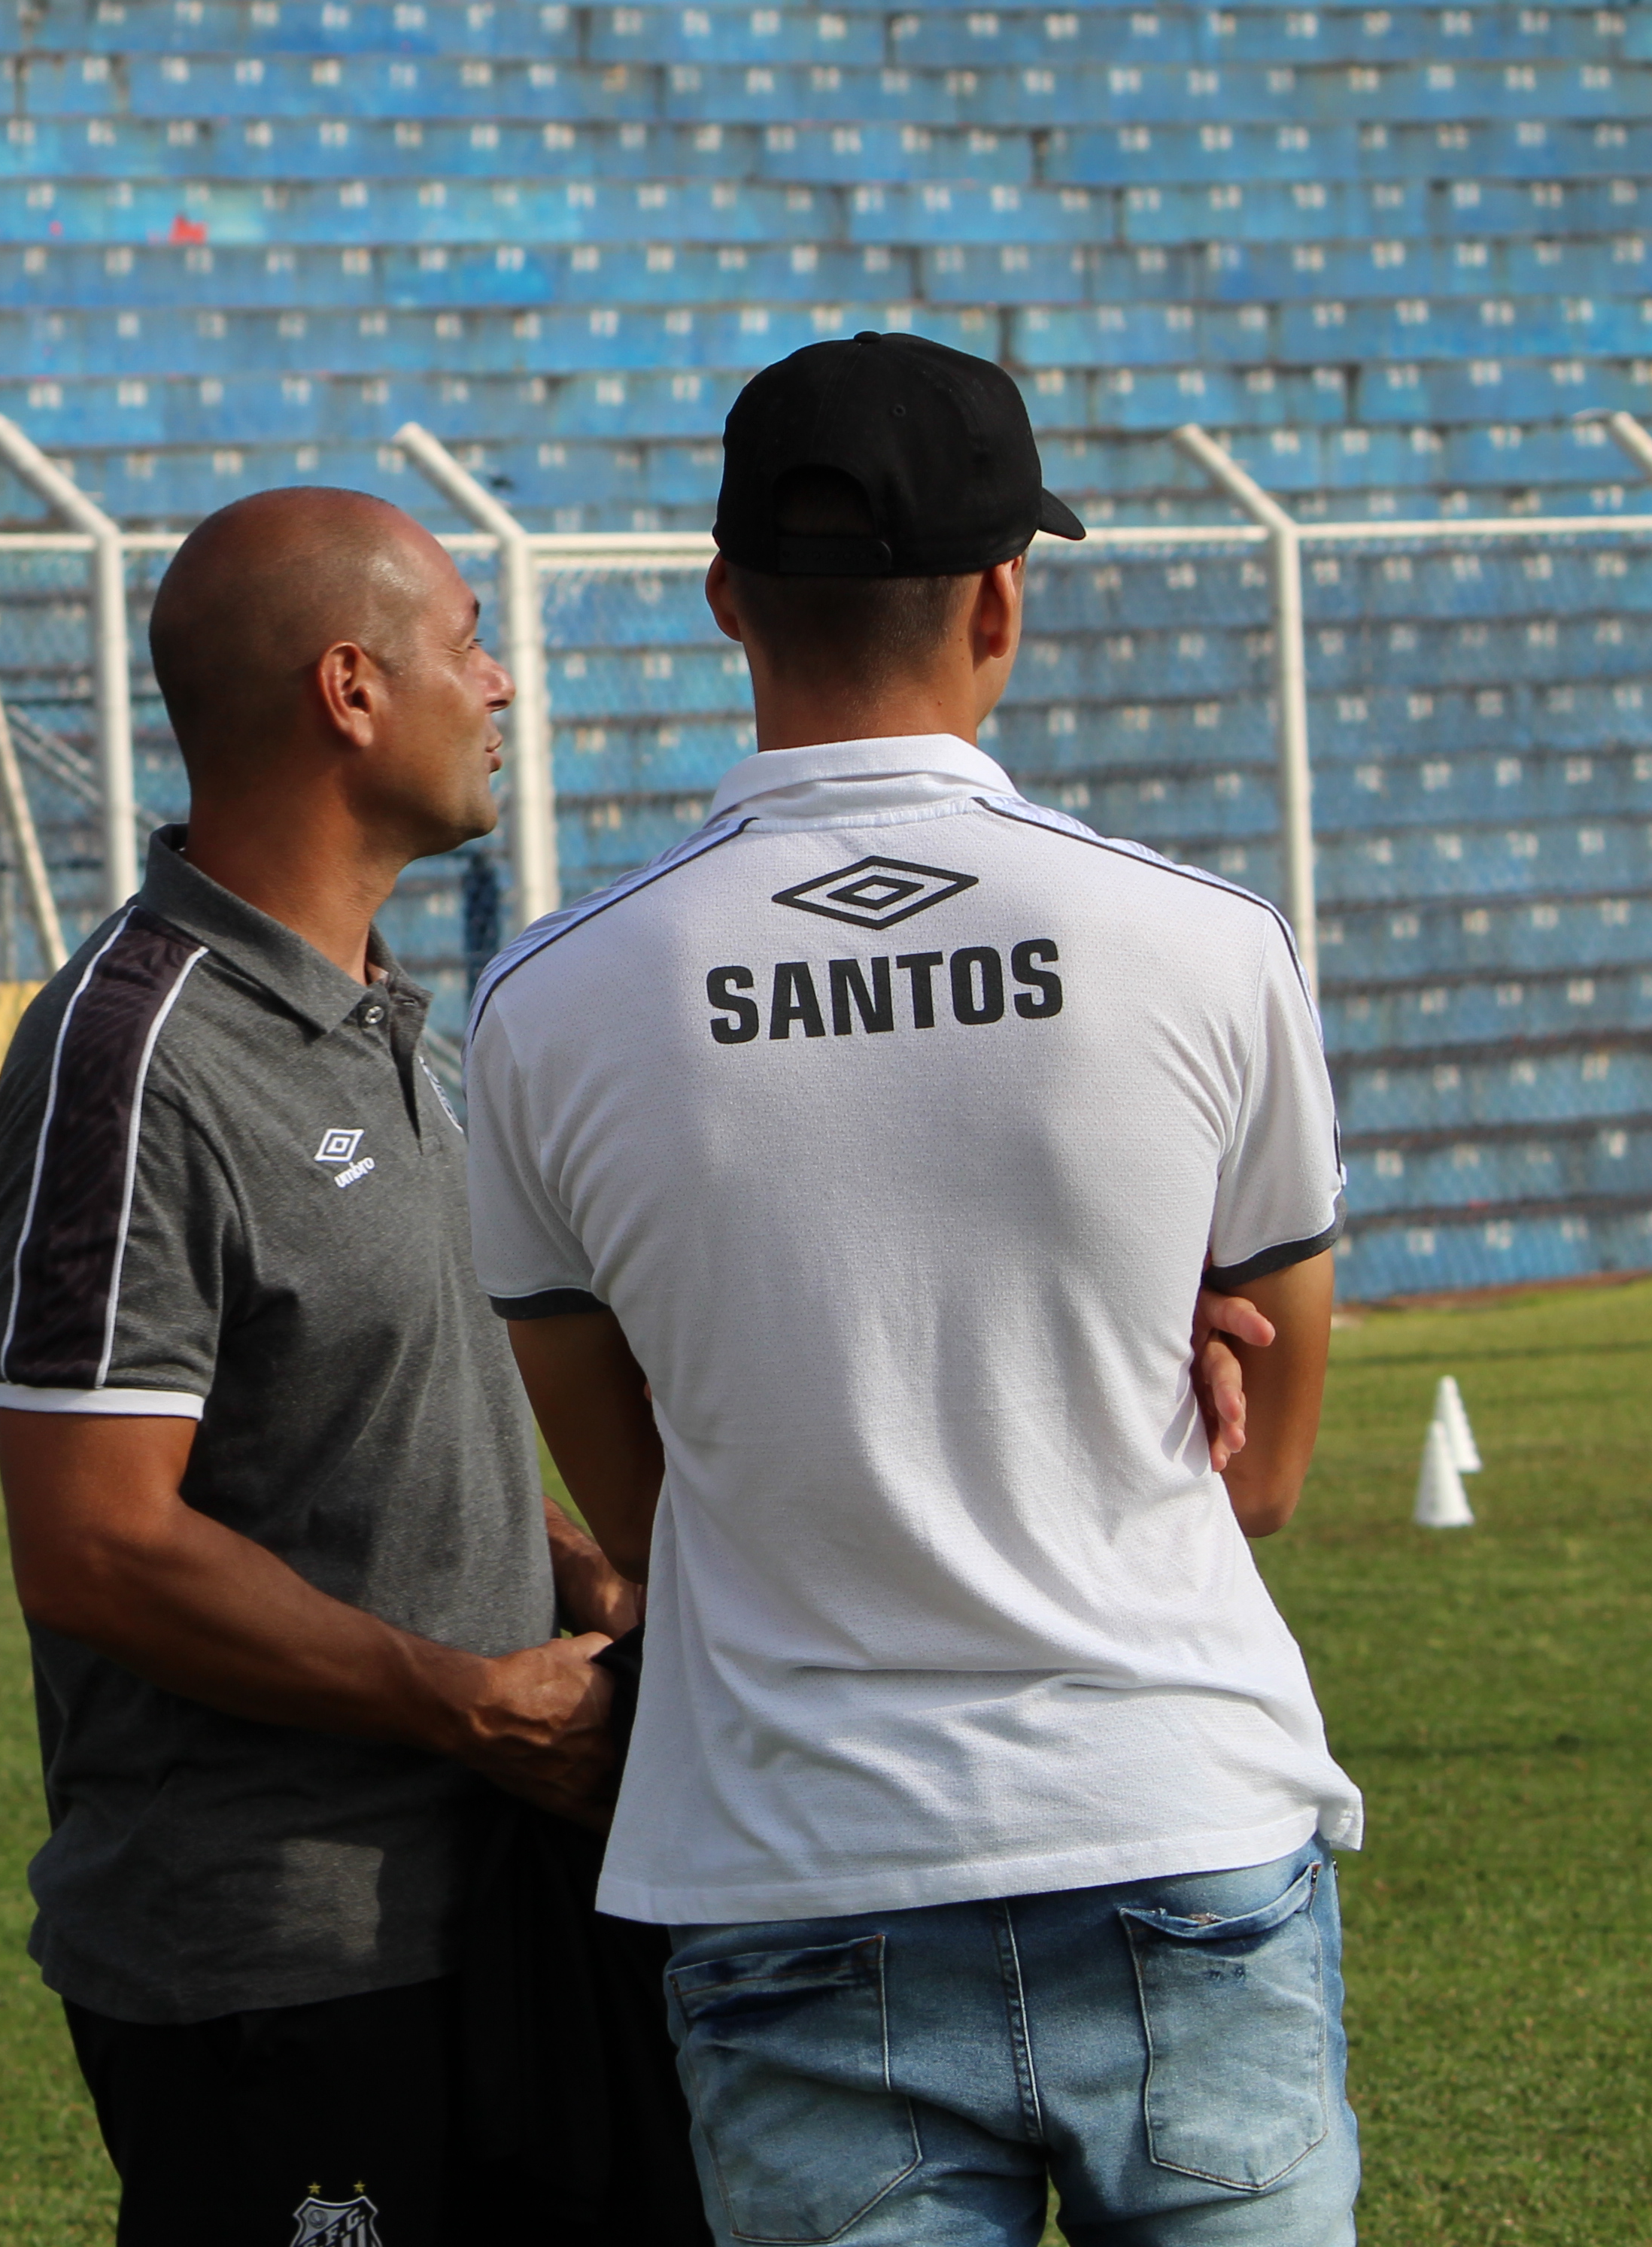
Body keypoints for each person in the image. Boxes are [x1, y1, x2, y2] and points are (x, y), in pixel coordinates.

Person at [464, 332, 1362, 2245]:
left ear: (723, 600)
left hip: (794, 1863)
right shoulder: (1211, 946)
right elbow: (1266, 1474)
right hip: (1172, 1816)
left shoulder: (545, 1005)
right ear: (1002, 595)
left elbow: (648, 1505)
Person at [0, 486, 660, 2245]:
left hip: (491, 1908)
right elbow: (97, 1543)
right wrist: (457, 1699)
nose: (500, 684)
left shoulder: (378, 1020)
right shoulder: (134, 1057)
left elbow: (367, 1414)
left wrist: (575, 1572)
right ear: (351, 691)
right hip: (273, 1965)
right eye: (464, 645)